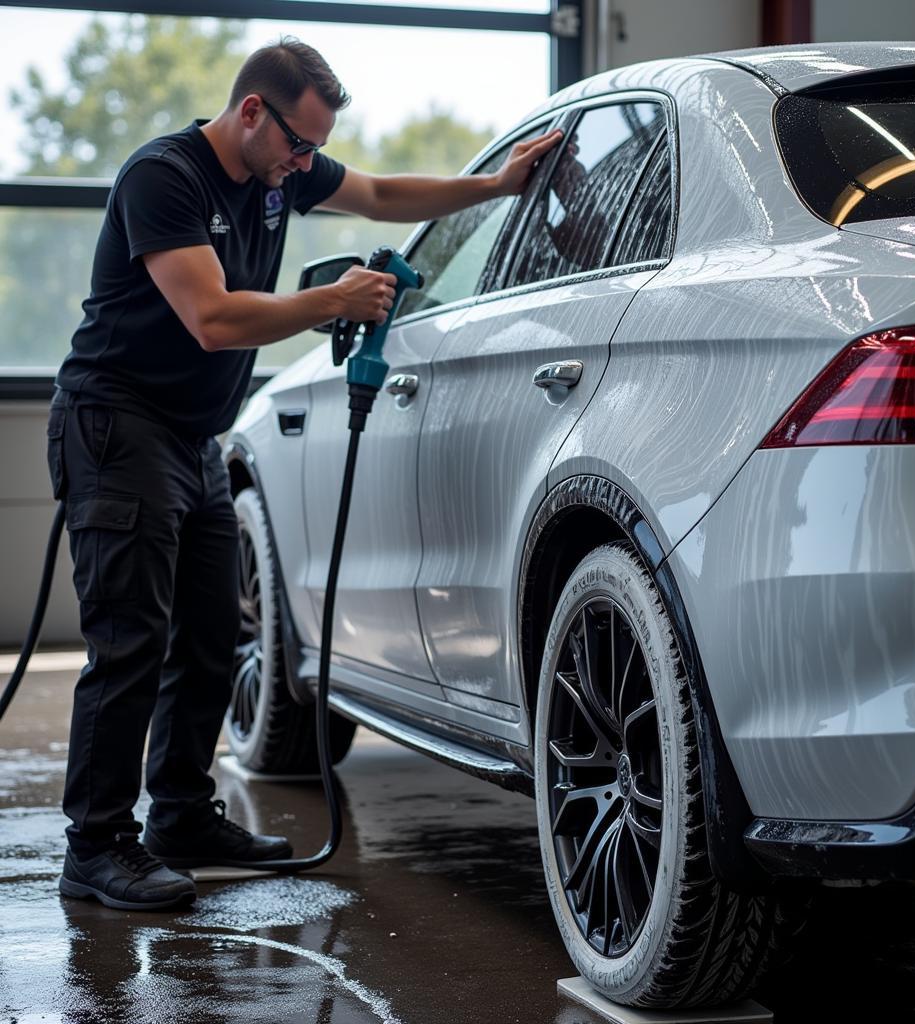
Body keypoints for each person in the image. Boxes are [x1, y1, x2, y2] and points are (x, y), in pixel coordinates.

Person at [48, 37, 562, 912]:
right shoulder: (163, 178)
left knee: (210, 639)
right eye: (297, 144)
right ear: (253, 112)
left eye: (314, 149)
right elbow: (212, 318)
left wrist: (494, 187)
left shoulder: (280, 173)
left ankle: (179, 816)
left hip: (190, 438)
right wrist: (335, 301)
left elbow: (383, 195)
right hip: (115, 424)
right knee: (129, 644)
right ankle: (95, 847)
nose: (307, 164)